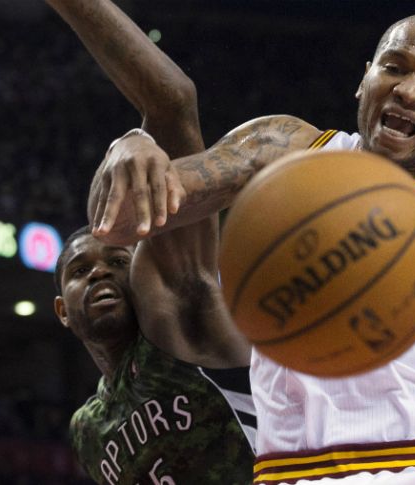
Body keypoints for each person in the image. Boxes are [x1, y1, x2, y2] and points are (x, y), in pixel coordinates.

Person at [89, 12, 415, 484]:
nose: (409, 91)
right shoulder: (282, 150)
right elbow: (120, 220)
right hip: (284, 472)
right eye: (394, 68)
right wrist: (132, 146)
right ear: (364, 79)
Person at [46, 0, 255, 483]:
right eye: (80, 271)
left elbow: (173, 101)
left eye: (118, 263)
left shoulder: (182, 322)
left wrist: (136, 139)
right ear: (62, 310)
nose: (99, 271)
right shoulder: (87, 429)